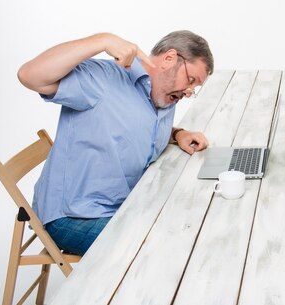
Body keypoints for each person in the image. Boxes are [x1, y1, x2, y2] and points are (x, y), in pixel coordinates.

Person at [18, 31, 214, 255]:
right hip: (74, 217)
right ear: (169, 59)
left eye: (194, 88)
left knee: (190, 223)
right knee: (164, 250)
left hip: (122, 207)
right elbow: (29, 75)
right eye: (191, 81)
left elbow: (137, 129)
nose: (189, 92)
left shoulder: (165, 96)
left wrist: (178, 134)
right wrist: (102, 40)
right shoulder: (102, 79)